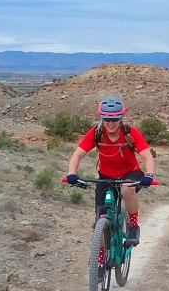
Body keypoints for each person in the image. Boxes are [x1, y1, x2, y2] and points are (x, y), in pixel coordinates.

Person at [65, 96, 155, 246]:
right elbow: (78, 154)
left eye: (115, 119)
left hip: (130, 173)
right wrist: (71, 173)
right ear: (102, 118)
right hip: (106, 176)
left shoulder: (130, 133)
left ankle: (133, 226)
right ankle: (99, 260)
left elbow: (147, 156)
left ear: (121, 118)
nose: (111, 123)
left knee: (127, 188)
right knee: (101, 219)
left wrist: (149, 174)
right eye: (107, 119)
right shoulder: (96, 133)